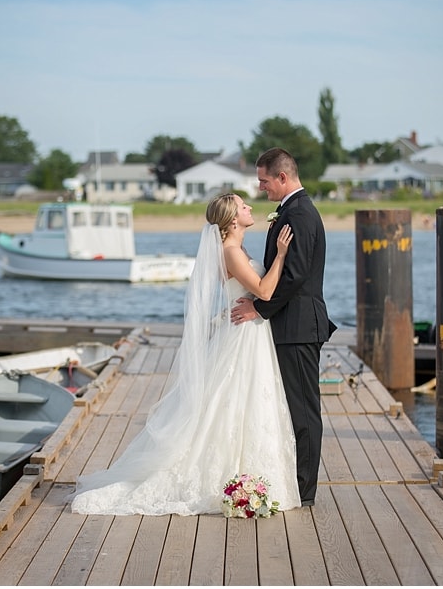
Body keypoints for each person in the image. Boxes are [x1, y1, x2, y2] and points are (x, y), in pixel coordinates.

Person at [71, 192, 300, 516]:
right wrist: (280, 256)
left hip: (249, 331)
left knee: (244, 402)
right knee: (232, 401)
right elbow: (263, 291)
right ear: (233, 219)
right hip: (244, 335)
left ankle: (249, 473)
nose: (250, 207)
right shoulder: (231, 252)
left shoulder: (237, 248)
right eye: (243, 205)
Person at [231, 147, 337, 507]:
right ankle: (291, 482)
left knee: (304, 411)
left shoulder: (301, 214)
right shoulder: (291, 210)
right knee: (291, 408)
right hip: (289, 325)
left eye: (263, 180)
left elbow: (294, 277)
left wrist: (259, 308)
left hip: (299, 327)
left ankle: (304, 492)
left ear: (282, 177)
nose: (261, 188)